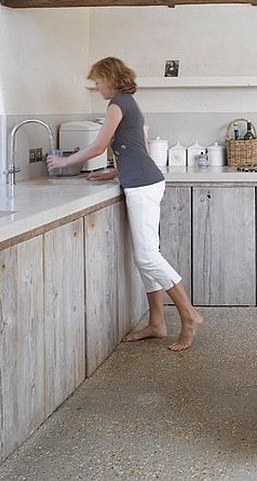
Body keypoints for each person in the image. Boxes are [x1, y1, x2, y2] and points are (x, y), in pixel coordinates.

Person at [48, 56, 202, 352]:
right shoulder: (129, 103)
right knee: (146, 255)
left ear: (110, 77)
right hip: (142, 179)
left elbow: (100, 145)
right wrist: (114, 171)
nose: (96, 86)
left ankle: (189, 315)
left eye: (98, 80)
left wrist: (65, 160)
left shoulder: (118, 103)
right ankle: (157, 323)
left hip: (143, 185)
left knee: (147, 257)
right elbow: (137, 148)